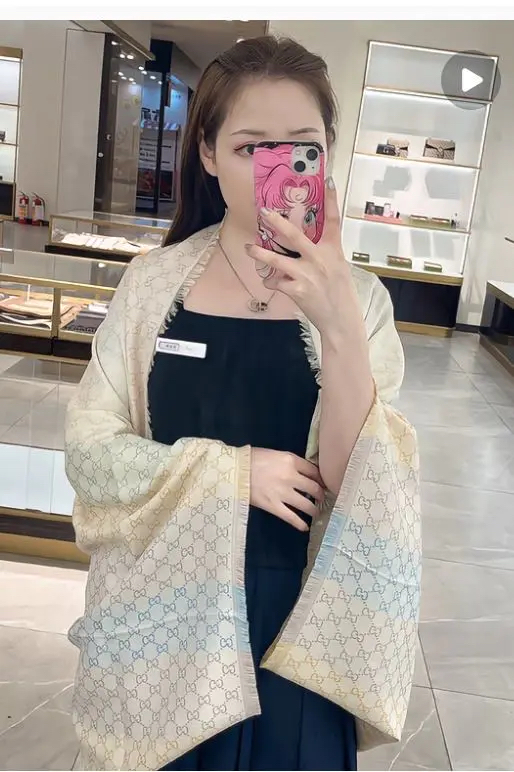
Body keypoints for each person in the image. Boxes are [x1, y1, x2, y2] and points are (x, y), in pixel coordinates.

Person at [65, 36, 421, 772]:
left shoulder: (363, 304)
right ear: (207, 153)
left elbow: (363, 488)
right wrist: (234, 475)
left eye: (301, 147)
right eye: (250, 147)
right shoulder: (153, 286)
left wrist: (339, 326)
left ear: (327, 153)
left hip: (300, 629)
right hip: (166, 617)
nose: (276, 170)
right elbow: (91, 454)